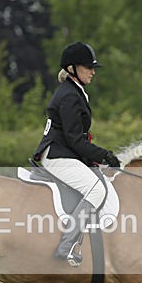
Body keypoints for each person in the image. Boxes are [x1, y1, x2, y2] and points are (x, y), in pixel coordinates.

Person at [33, 42, 121, 266]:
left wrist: (94, 158)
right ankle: (68, 245)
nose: (92, 71)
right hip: (57, 155)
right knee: (96, 189)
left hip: (65, 152)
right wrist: (104, 155)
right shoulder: (70, 96)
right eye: (87, 67)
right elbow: (74, 139)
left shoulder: (74, 92)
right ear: (72, 68)